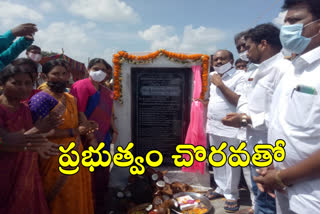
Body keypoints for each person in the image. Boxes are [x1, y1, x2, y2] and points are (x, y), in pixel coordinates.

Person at [253, 0, 320, 213]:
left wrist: (281, 176)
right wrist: (273, 168)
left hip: (313, 196)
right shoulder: (293, 70)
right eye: (286, 22)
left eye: (295, 20)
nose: (287, 28)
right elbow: (283, 126)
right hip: (285, 190)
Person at [222, 23, 294, 214]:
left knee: (270, 200)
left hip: (272, 146)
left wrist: (247, 120)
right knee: (259, 193)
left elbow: (286, 115)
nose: (245, 52)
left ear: (263, 44)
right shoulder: (255, 70)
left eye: (248, 46)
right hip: (254, 144)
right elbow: (245, 99)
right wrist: (242, 115)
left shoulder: (284, 70)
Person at [28, 59, 95, 214]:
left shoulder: (70, 98)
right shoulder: (40, 99)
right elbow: (38, 132)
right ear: (45, 76)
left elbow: (77, 123)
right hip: (52, 155)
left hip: (75, 152)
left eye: (64, 74)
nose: (61, 77)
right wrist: (75, 131)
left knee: (77, 194)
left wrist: (88, 127)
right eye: (55, 74)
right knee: (60, 198)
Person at [0, 61, 61, 213]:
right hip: (4, 170)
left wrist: (42, 144)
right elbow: (6, 142)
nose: (24, 88)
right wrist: (39, 129)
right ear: (2, 84)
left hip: (25, 169)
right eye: (16, 83)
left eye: (28, 83)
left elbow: (29, 138)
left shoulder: (25, 109)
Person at [70, 58, 118, 214]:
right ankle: (87, 204)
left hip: (103, 136)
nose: (100, 72)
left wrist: (114, 129)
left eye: (103, 70)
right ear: (88, 69)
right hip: (87, 138)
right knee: (88, 171)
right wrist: (91, 137)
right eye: (96, 68)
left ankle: (100, 203)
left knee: (102, 170)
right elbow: (79, 112)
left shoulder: (105, 91)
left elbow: (108, 112)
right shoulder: (82, 86)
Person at [203, 50, 246, 213]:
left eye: (222, 59)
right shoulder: (211, 75)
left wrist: (220, 84)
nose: (218, 62)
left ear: (231, 60)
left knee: (231, 162)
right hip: (213, 126)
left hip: (231, 127)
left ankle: (232, 194)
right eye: (215, 59)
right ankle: (221, 188)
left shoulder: (239, 76)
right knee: (218, 158)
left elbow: (239, 101)